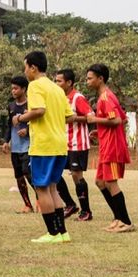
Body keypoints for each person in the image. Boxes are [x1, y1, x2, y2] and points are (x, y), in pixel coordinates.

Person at [13, 51, 74, 244]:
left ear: (33, 67)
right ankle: (62, 232)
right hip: (59, 144)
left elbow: (39, 111)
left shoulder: (35, 86)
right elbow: (69, 116)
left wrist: (21, 118)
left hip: (44, 145)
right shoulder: (57, 89)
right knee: (53, 188)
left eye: (26, 67)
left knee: (41, 188)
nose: (25, 71)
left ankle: (52, 233)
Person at [86, 64, 134, 233]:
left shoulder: (106, 97)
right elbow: (122, 118)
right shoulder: (105, 97)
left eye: (90, 78)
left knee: (111, 183)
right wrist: (99, 131)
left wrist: (95, 120)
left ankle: (126, 222)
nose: (87, 82)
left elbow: (117, 121)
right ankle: (118, 218)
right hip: (106, 146)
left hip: (112, 147)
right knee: (100, 182)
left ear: (101, 79)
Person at [55, 69, 94, 221]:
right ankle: (70, 204)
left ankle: (86, 211)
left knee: (77, 175)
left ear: (69, 82)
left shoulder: (78, 98)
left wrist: (74, 118)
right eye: (56, 81)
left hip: (78, 143)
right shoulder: (59, 98)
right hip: (62, 143)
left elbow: (91, 117)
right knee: (54, 174)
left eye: (59, 81)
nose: (56, 84)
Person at [2, 76, 36, 214]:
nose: (13, 91)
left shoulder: (32, 105)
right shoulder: (11, 106)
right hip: (15, 148)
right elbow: (9, 126)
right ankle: (27, 205)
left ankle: (41, 199)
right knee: (19, 176)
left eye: (16, 88)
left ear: (24, 89)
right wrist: (5, 141)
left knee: (29, 174)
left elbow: (38, 124)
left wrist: (27, 131)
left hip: (29, 147)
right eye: (12, 88)